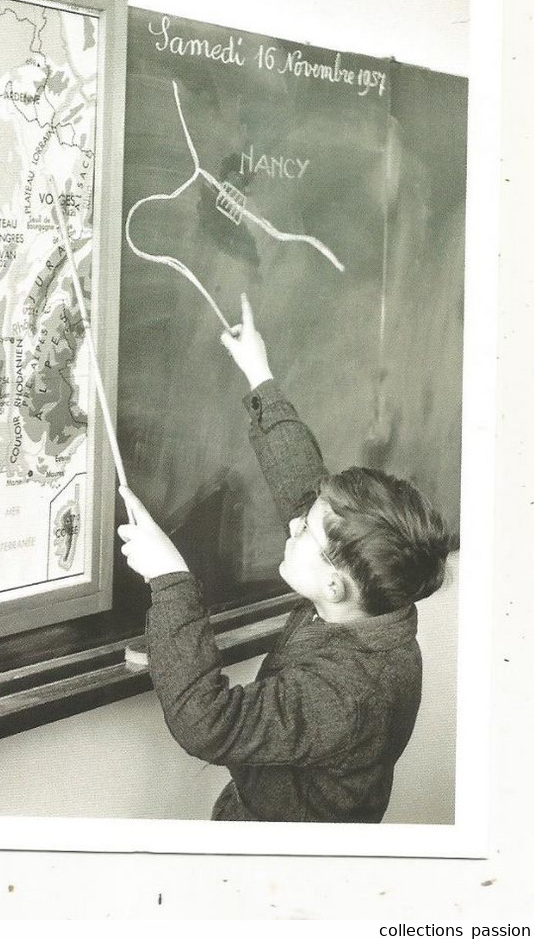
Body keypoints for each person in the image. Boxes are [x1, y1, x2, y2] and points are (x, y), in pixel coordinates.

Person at [117, 294, 456, 822]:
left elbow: (210, 724)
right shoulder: (372, 601)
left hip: (287, 856)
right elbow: (305, 492)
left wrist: (171, 579)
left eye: (305, 534)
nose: (294, 523)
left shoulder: (348, 693)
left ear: (335, 585)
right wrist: (260, 376)